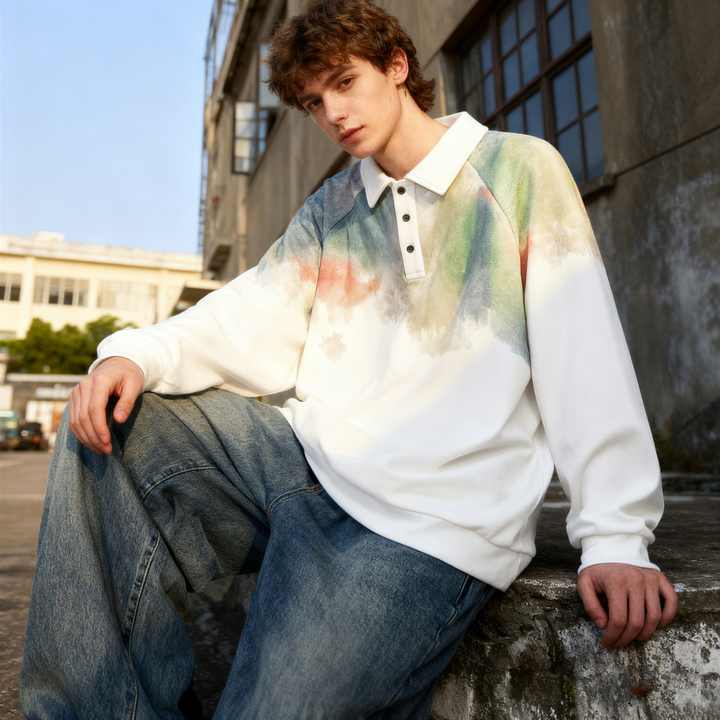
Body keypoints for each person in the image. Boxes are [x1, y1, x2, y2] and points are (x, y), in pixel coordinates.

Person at [19, 0, 678, 717]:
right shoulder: (331, 209)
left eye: (343, 82)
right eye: (313, 101)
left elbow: (581, 350)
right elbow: (249, 314)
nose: (332, 112)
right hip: (300, 468)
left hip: (428, 527)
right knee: (115, 420)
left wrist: (615, 536)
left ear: (397, 67)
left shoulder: (517, 170)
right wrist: (133, 356)